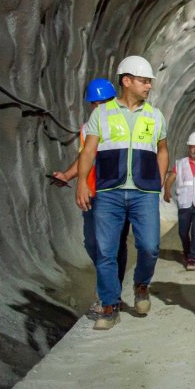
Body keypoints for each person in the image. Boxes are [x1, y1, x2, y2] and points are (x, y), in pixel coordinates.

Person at [76, 56, 169, 330]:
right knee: (106, 251)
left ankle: (141, 285)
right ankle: (109, 306)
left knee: (150, 247)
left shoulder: (155, 115)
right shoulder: (101, 114)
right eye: (144, 81)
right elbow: (89, 150)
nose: (149, 86)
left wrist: (159, 179)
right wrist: (82, 181)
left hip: (144, 192)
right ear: (126, 81)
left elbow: (162, 149)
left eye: (150, 81)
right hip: (110, 191)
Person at [51, 78, 130, 319]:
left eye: (103, 102)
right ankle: (110, 290)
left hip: (118, 193)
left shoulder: (127, 124)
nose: (99, 107)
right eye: (95, 104)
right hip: (94, 194)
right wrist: (68, 175)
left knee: (112, 246)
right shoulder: (88, 128)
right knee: (93, 244)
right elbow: (86, 157)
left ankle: (109, 297)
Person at [163, 132, 195, 271]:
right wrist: (167, 191)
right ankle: (187, 252)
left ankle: (192, 257)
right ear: (189, 148)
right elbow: (171, 177)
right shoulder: (181, 163)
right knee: (182, 232)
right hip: (184, 203)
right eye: (193, 147)